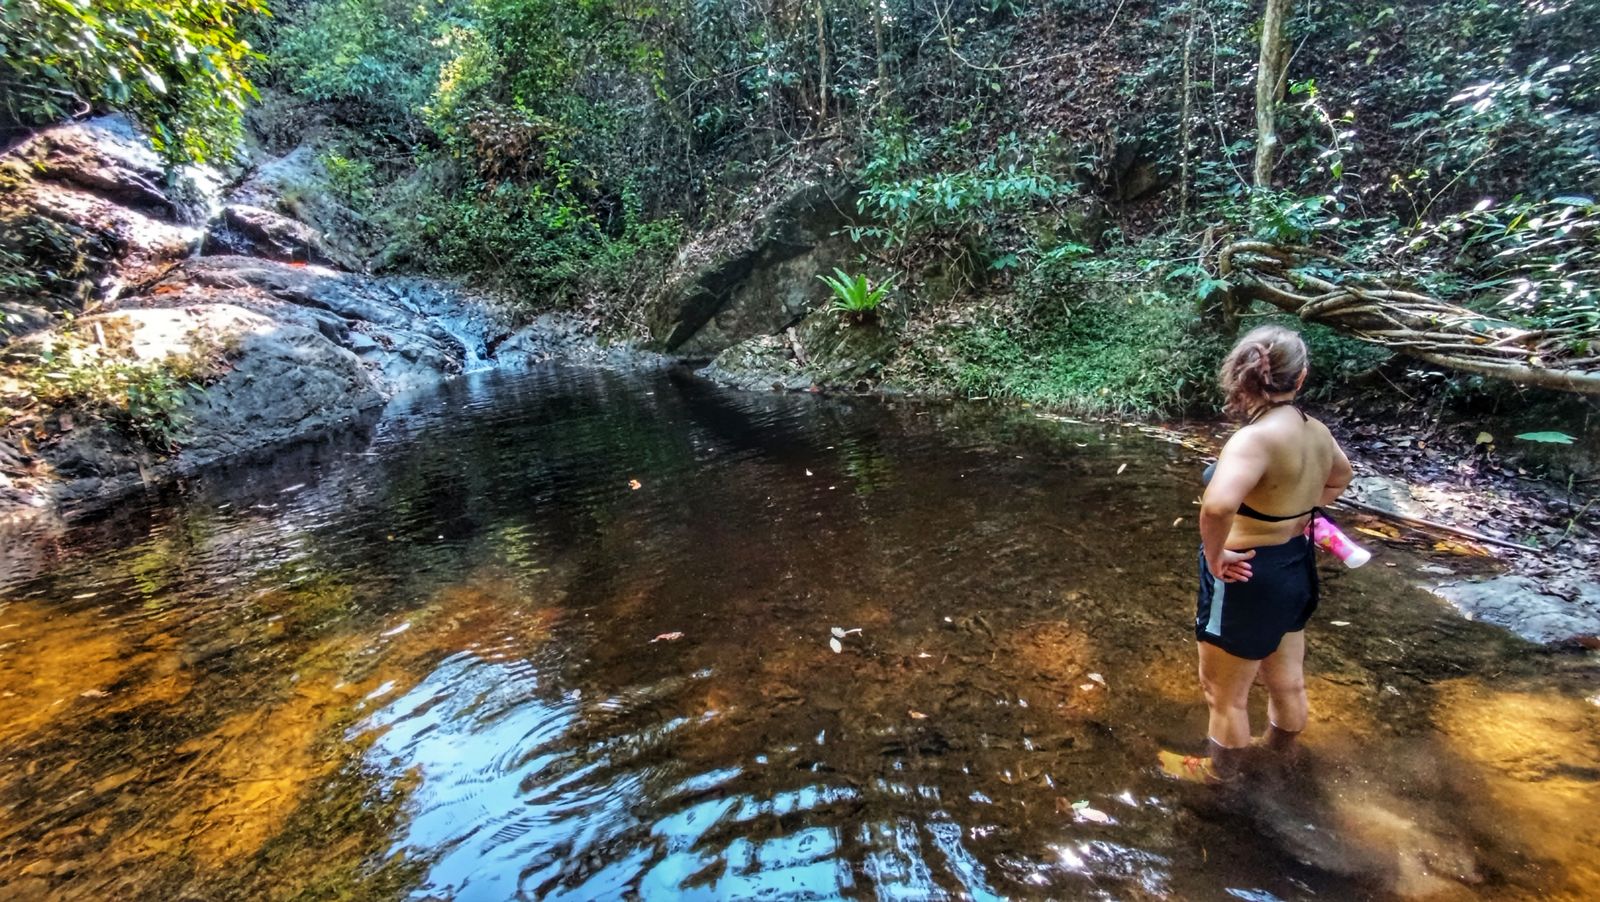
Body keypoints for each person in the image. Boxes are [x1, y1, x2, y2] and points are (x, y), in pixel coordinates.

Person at [1159, 325, 1352, 783]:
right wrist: (1299, 514)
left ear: (1242, 375)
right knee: (1287, 681)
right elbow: (1341, 477)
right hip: (1294, 565)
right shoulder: (1316, 431)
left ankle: (1220, 776)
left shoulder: (1254, 439)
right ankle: (1281, 759)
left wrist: (1215, 557)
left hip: (1246, 573)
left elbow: (1217, 507)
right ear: (1300, 377)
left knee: (1224, 696)